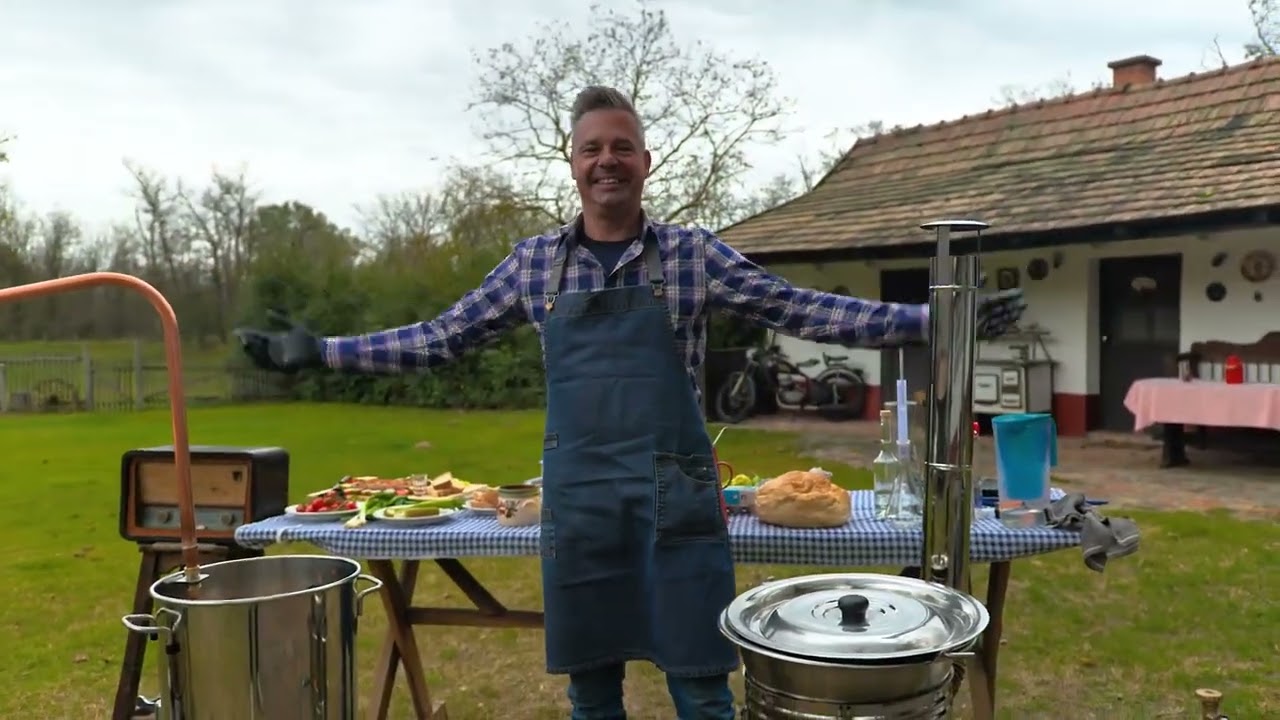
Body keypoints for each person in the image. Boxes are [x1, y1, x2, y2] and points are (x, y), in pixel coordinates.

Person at [235, 86, 1026, 720]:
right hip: (579, 502)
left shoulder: (692, 254)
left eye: (621, 147)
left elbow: (804, 309)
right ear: (571, 164)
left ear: (646, 161)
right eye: (592, 149)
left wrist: (935, 318)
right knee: (591, 693)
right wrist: (325, 352)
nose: (607, 161)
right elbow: (442, 337)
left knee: (702, 686)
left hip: (675, 497)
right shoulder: (532, 266)